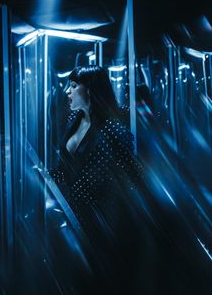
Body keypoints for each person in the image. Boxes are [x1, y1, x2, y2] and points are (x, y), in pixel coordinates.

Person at [51, 65, 160, 295]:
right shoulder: (74, 118)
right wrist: (49, 189)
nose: (67, 92)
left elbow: (133, 175)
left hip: (102, 223)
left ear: (89, 90)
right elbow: (64, 165)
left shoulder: (112, 127)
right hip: (74, 217)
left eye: (73, 86)